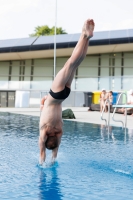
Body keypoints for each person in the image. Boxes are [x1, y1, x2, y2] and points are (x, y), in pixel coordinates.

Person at [39, 19, 95, 164]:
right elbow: (42, 151)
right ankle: (84, 35)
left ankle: (86, 37)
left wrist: (52, 159)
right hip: (54, 94)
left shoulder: (59, 130)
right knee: (70, 63)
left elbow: (55, 149)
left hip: (64, 95)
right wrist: (42, 158)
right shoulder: (44, 129)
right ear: (46, 138)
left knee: (75, 65)